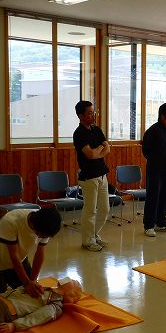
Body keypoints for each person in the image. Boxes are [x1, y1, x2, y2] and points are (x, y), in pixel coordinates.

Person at [0, 207, 61, 297]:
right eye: (42, 235)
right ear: (36, 226)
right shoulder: (11, 221)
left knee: (29, 291)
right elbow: (13, 255)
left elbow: (39, 254)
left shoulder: (46, 224)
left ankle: (5, 278)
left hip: (20, 259)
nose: (43, 238)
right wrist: (27, 283)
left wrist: (33, 281)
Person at [73, 100, 110, 252]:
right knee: (90, 210)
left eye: (93, 112)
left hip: (102, 174)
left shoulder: (96, 129)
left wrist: (98, 150)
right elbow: (90, 154)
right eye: (89, 113)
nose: (93, 115)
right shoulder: (79, 133)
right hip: (89, 177)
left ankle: (94, 235)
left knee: (105, 209)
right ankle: (87, 241)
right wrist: (101, 147)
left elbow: (107, 149)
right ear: (81, 116)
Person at [142, 102, 166, 237]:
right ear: (162, 116)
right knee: (153, 197)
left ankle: (161, 222)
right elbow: (146, 151)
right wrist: (157, 161)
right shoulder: (152, 131)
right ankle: (149, 225)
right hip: (155, 170)